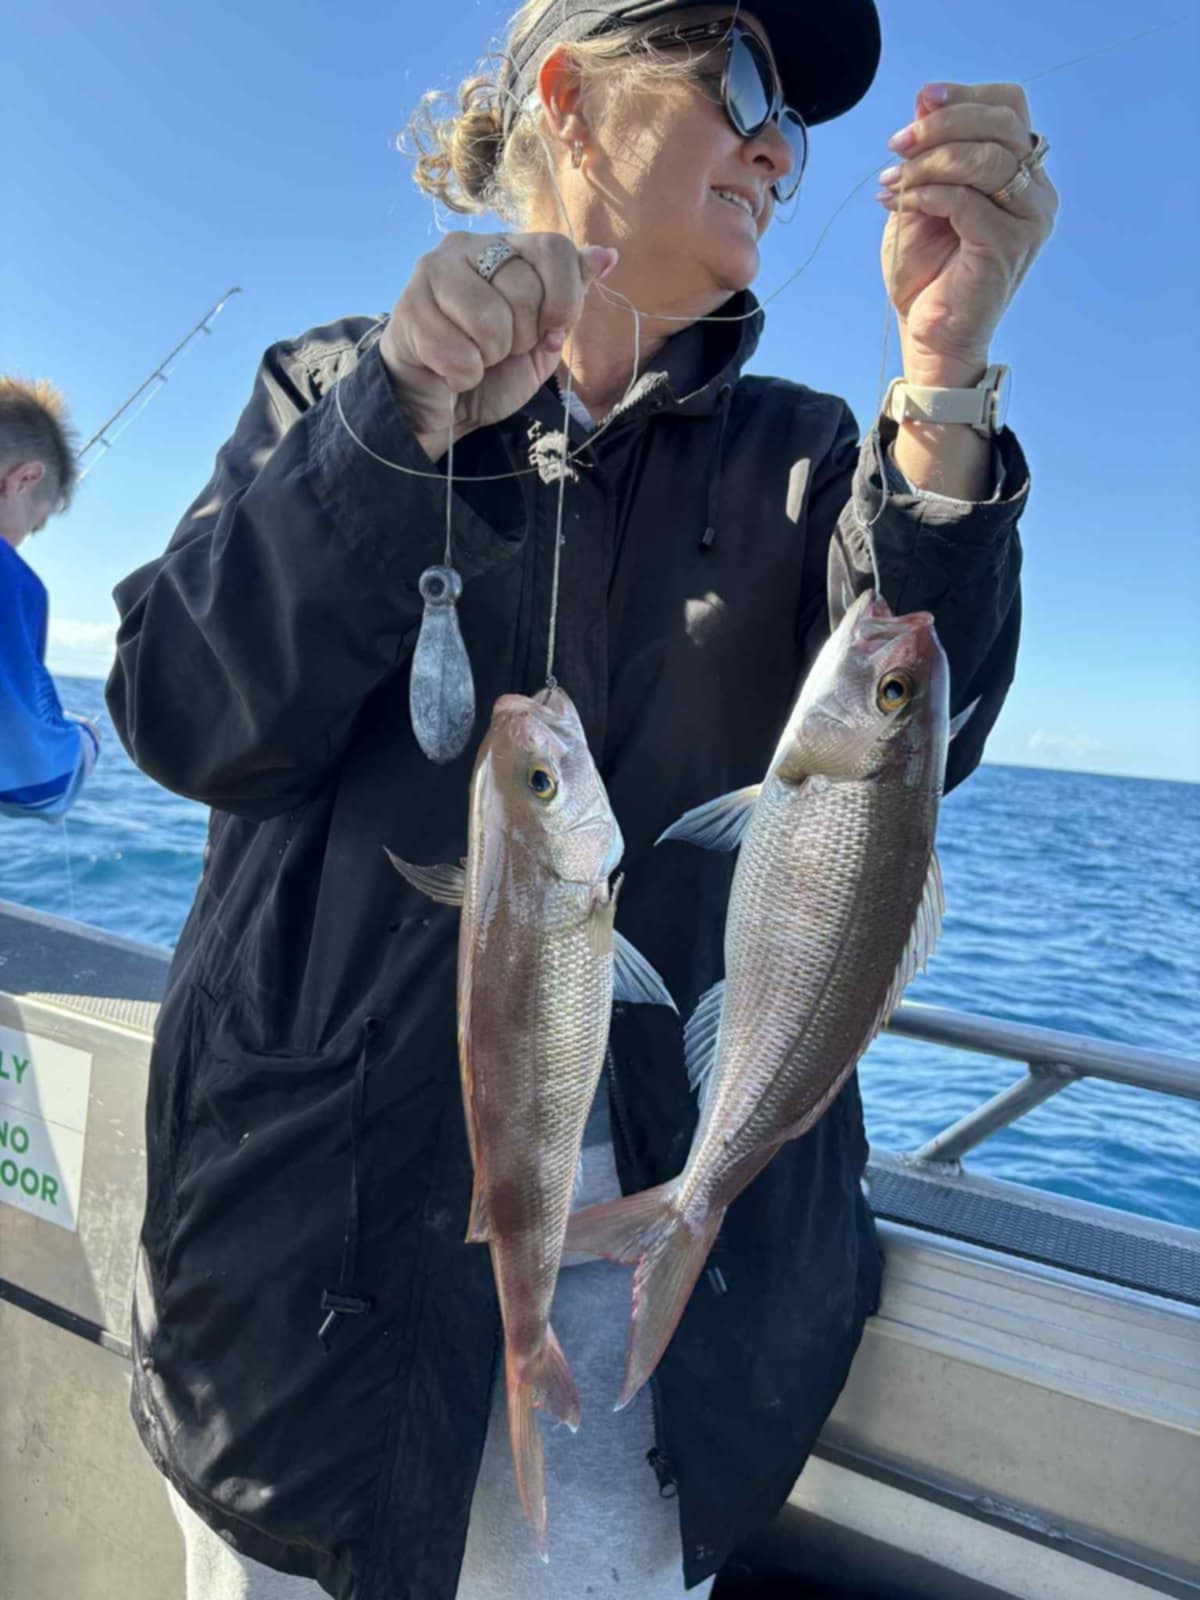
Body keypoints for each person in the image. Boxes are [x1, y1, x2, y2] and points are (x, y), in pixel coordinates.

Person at [107, 1, 1056, 1595]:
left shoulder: (815, 458)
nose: (779, 150)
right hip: (307, 1288)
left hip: (661, 1333)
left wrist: (945, 381)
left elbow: (913, 749)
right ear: (567, 90)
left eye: (795, 124)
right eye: (743, 79)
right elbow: (182, 714)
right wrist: (391, 420)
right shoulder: (334, 387)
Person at [0, 377, 100, 822]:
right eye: (34, 523)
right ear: (23, 479)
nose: (24, 540)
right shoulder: (11, 579)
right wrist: (84, 743)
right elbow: (37, 783)